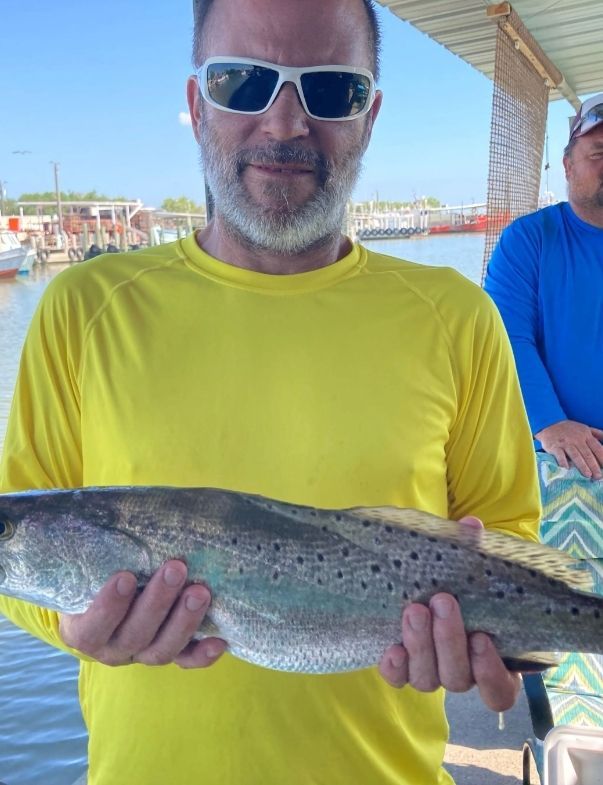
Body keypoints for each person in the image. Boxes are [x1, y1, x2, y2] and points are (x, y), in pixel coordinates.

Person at [0, 1, 540, 784]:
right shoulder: (82, 309)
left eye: (331, 91)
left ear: (370, 114)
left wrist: (487, 648)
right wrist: (73, 623)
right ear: (196, 105)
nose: (285, 123)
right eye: (243, 81)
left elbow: (503, 538)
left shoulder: (457, 317)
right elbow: (19, 564)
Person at [484, 93, 603, 480]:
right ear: (568, 166)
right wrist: (549, 422)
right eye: (598, 153)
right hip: (555, 450)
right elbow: (506, 337)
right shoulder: (527, 240)